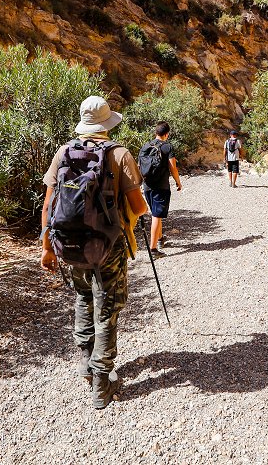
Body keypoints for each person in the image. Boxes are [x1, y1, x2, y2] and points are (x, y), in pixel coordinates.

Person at [40, 96, 147, 409]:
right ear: (106, 124)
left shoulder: (63, 152)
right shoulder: (119, 154)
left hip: (69, 246)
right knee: (108, 308)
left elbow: (48, 206)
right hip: (110, 246)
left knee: (84, 298)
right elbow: (139, 206)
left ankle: (87, 365)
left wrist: (47, 249)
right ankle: (102, 384)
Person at [140, 121, 182, 258]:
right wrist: (178, 182)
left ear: (155, 133)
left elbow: (139, 165)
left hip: (147, 185)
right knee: (156, 216)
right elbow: (173, 167)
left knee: (155, 213)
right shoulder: (167, 147)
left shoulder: (146, 146)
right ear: (167, 134)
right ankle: (153, 250)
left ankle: (160, 239)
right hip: (161, 186)